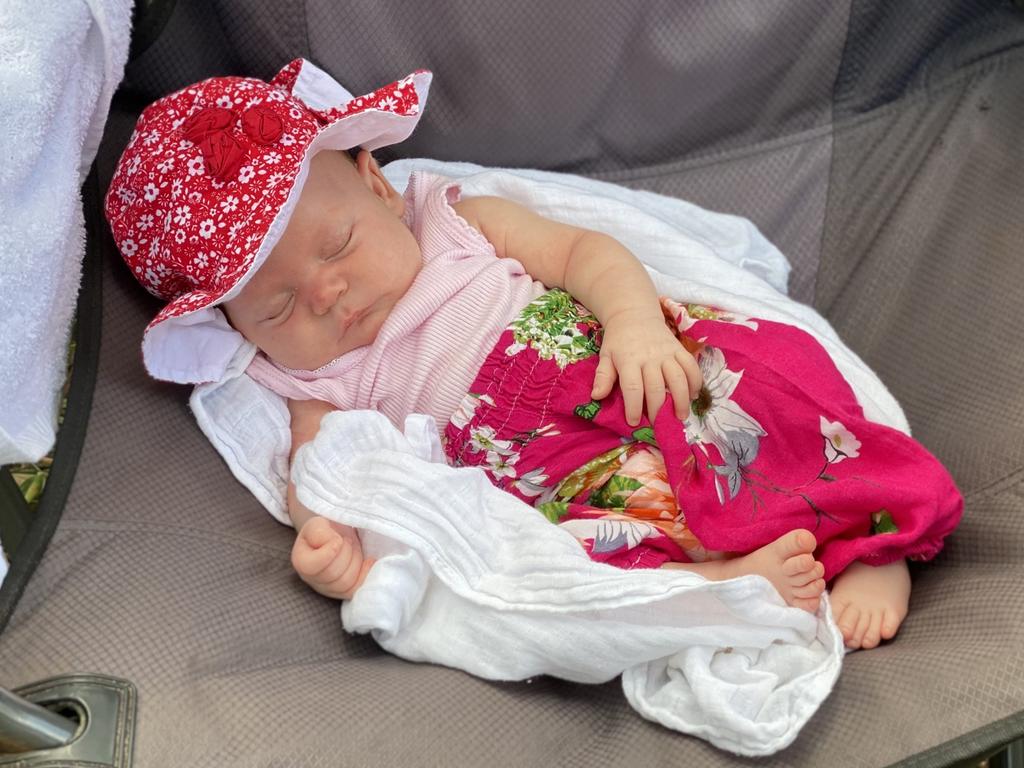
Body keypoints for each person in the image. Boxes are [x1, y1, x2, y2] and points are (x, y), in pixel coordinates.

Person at [105, 60, 962, 651]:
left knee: (760, 393)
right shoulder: (298, 376)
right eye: (280, 304)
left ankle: (873, 540)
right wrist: (329, 542)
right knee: (595, 545)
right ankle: (729, 581)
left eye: (336, 247)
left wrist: (633, 322)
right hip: (540, 468)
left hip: (609, 359)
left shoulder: (451, 219)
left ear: (374, 181)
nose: (325, 294)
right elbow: (327, 469)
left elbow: (583, 253)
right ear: (236, 327)